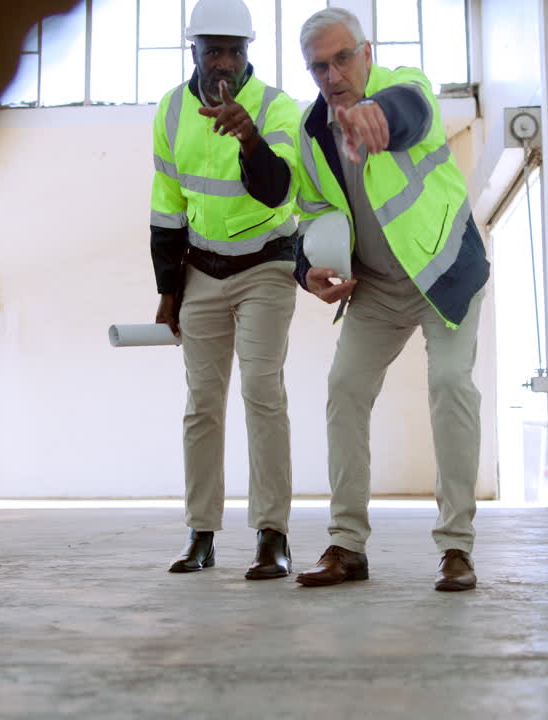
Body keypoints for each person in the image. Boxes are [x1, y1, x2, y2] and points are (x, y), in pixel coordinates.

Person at [290, 8, 490, 591]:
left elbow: (411, 112)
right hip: (375, 289)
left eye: (342, 58)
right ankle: (346, 545)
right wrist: (309, 270)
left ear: (367, 52)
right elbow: (311, 215)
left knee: (451, 383)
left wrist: (378, 117)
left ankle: (456, 547)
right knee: (344, 389)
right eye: (318, 67)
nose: (332, 75)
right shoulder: (311, 133)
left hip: (443, 272)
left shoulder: (405, 86)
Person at [149, 0, 302, 579]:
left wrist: (251, 140)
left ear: (248, 54)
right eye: (213, 49)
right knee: (201, 407)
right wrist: (169, 289)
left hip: (266, 265)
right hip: (200, 272)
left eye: (235, 51)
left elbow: (276, 191)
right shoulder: (169, 111)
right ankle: (201, 534)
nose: (225, 62)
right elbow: (167, 207)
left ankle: (272, 536)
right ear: (194, 51)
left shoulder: (276, 107)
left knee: (263, 393)